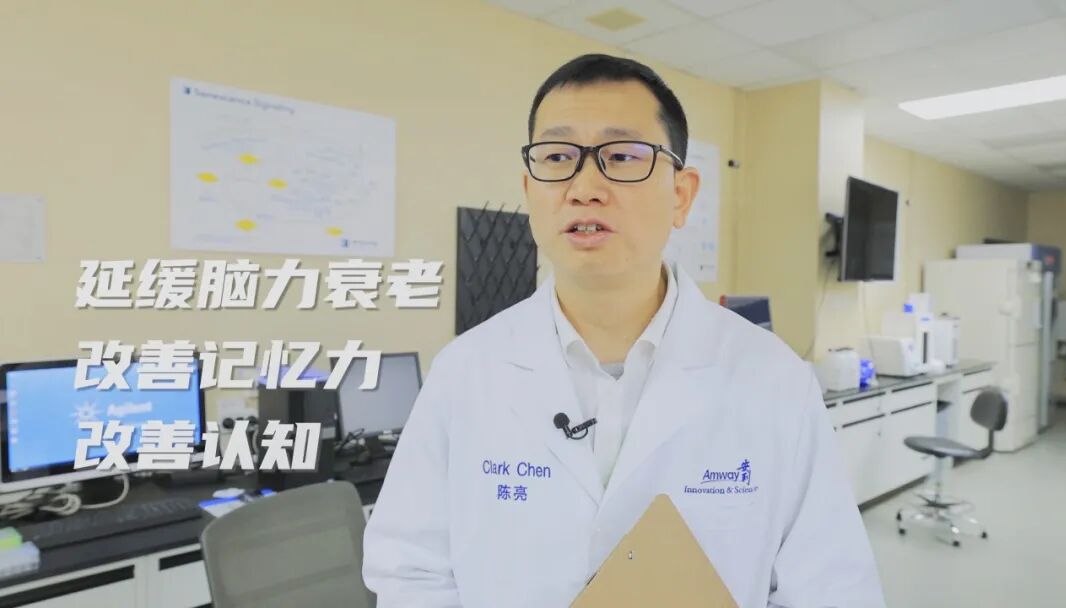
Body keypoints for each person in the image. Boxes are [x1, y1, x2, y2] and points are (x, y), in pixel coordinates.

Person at [363, 53, 885, 607]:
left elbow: (832, 589)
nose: (584, 186)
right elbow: (409, 571)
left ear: (681, 194)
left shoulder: (774, 378)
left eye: (622, 156)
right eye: (557, 157)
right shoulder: (465, 371)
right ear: (530, 190)